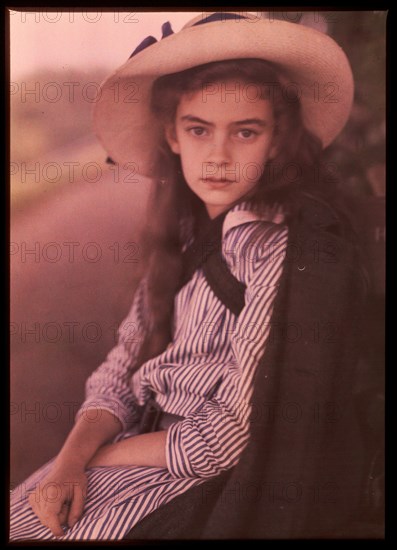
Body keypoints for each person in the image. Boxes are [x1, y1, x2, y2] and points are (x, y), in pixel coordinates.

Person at [10, 12, 368, 540]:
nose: (218, 156)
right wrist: (71, 460)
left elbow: (224, 439)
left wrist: (106, 458)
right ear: (173, 137)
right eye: (198, 129)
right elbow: (126, 362)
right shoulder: (183, 230)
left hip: (210, 479)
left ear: (275, 142)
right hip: (138, 448)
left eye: (245, 131)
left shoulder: (275, 247)